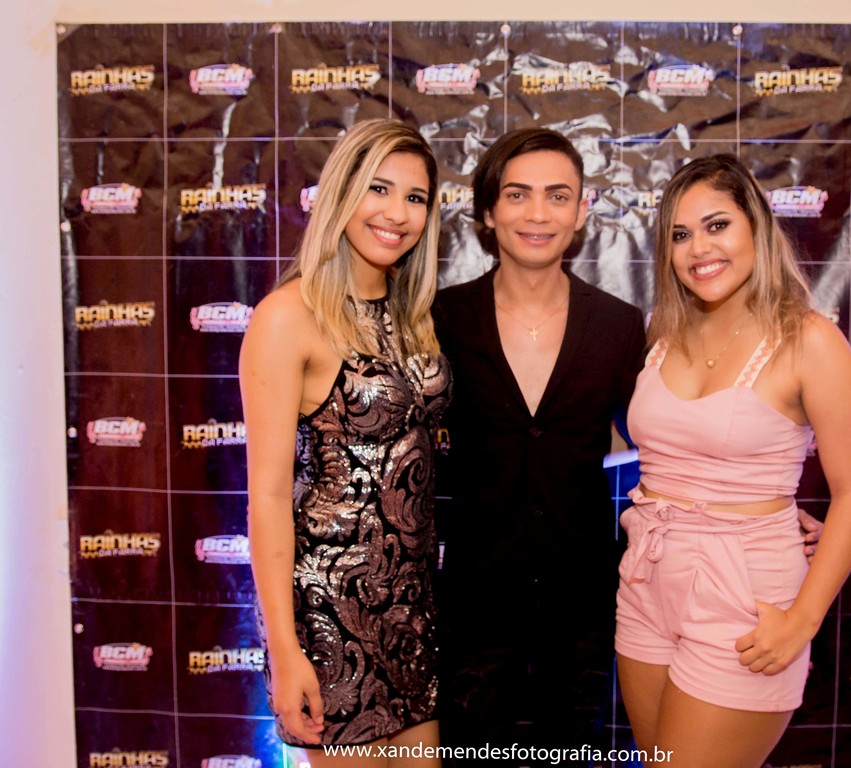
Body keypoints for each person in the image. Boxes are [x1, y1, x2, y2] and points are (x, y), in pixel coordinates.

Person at [614, 154, 851, 767]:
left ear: (756, 225)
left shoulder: (810, 340)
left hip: (746, 597)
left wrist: (803, 619)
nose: (699, 248)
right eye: (681, 234)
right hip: (646, 580)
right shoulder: (661, 334)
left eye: (717, 225)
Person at [239, 119, 450, 764]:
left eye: (415, 198)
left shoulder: (413, 314)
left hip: (411, 606)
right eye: (378, 189)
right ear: (341, 193)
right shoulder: (288, 316)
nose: (397, 213)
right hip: (332, 611)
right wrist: (285, 650)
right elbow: (268, 497)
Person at [432, 128, 647, 758]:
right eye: (517, 194)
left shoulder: (618, 325)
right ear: (487, 211)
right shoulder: (440, 318)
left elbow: (665, 442)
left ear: (581, 212)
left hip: (583, 604)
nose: (537, 213)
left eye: (557, 196)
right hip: (473, 601)